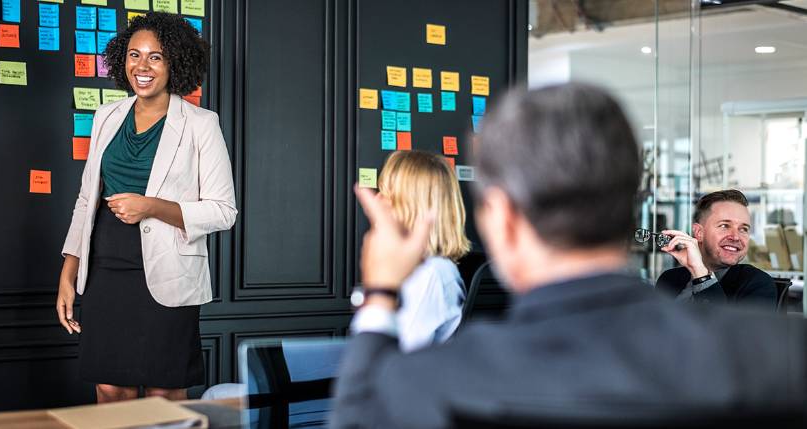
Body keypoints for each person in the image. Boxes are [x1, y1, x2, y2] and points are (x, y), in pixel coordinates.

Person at [330, 83, 806, 428]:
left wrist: (380, 294)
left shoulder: (426, 384)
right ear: (628, 210)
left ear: (501, 219)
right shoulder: (781, 357)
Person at [56, 13, 236, 403]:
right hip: (105, 270)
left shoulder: (201, 124)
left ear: (175, 63)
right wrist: (68, 272)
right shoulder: (106, 116)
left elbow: (224, 210)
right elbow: (87, 199)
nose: (143, 66)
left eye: (156, 57)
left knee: (164, 387)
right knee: (109, 385)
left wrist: (151, 206)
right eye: (135, 55)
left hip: (168, 276)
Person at [376, 151, 470, 352]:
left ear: (415, 208)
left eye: (387, 194)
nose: (377, 199)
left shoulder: (430, 276)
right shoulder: (416, 269)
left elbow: (398, 362)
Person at [655, 190, 777, 309]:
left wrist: (701, 275)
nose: (735, 237)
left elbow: (726, 328)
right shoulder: (669, 279)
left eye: (743, 229)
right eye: (724, 226)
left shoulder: (758, 284)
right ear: (699, 232)